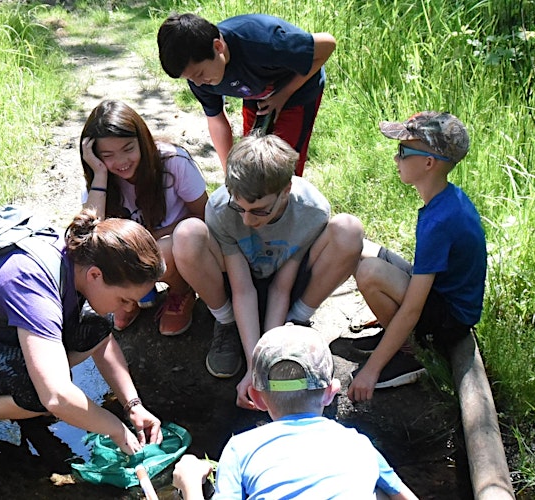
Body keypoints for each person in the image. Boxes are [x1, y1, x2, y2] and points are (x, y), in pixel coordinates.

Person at [0, 210, 167, 461]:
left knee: (96, 325)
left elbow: (102, 342)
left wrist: (133, 405)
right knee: (39, 392)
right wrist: (115, 428)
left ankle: (12, 404)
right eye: (125, 299)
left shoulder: (78, 258)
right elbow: (56, 397)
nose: (130, 308)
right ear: (95, 275)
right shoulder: (31, 280)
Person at [171, 134, 363, 409]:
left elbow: (281, 288)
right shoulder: (221, 208)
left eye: (259, 211)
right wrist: (255, 366)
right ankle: (227, 324)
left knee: (349, 229)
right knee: (187, 234)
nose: (248, 220)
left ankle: (295, 322)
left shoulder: (312, 210)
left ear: (286, 189)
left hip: (286, 283)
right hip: (237, 283)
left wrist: (268, 358)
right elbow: (243, 289)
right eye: (241, 208)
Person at [171, 324, 418, 500]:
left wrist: (190, 482)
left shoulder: (240, 448)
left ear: (256, 398)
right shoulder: (358, 442)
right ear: (331, 392)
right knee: (379, 492)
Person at [349, 111, 487, 401]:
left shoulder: (439, 221)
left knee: (369, 273)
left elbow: (412, 308)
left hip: (450, 322)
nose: (395, 159)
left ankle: (412, 352)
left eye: (402, 151)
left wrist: (371, 371)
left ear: (428, 163)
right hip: (443, 298)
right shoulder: (447, 199)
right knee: (361, 250)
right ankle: (393, 336)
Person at [81, 100, 209, 336]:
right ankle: (129, 299)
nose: (120, 162)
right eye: (108, 155)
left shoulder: (173, 162)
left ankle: (180, 291)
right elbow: (89, 232)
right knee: (94, 252)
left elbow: (204, 214)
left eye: (128, 149)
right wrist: (99, 174)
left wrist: (149, 239)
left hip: (172, 244)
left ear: (143, 140)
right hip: (132, 252)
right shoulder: (101, 179)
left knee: (162, 251)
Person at [157, 12, 335, 177]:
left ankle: (288, 206)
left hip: (297, 88)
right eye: (189, 78)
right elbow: (216, 120)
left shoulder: (262, 43)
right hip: (255, 91)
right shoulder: (199, 75)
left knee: (283, 165)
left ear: (218, 46)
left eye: (199, 74)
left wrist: (284, 94)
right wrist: (230, 175)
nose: (197, 83)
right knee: (252, 162)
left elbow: (327, 44)